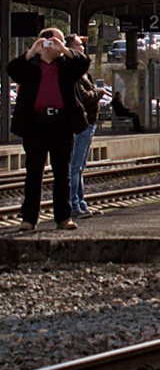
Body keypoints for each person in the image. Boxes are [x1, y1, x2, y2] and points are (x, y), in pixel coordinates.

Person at [9, 26, 93, 230]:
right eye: (52, 41)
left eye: (59, 41)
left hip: (62, 123)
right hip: (35, 125)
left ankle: (63, 218)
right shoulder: (30, 65)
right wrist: (31, 52)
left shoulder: (66, 65)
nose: (55, 44)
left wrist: (64, 50)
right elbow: (12, 70)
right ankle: (29, 219)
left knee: (62, 172)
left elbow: (84, 63)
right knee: (34, 173)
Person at [67, 35, 100, 217]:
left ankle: (81, 202)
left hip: (89, 123)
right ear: (72, 48)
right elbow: (84, 97)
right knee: (75, 166)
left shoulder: (82, 73)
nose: (83, 48)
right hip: (81, 124)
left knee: (80, 166)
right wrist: (99, 93)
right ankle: (74, 205)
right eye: (80, 45)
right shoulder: (73, 73)